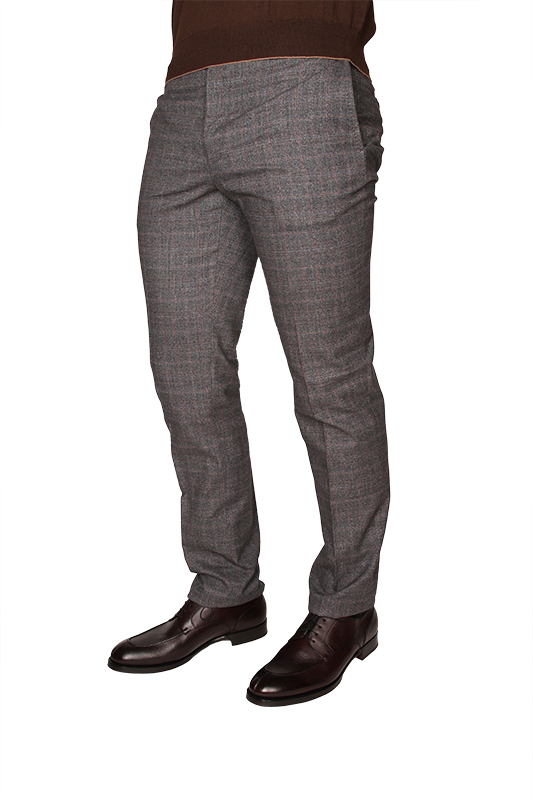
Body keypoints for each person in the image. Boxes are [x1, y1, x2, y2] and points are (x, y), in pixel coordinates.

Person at [108, 0, 390, 707]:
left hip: (306, 83)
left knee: (329, 378)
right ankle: (226, 588)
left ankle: (346, 607)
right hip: (184, 100)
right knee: (185, 371)